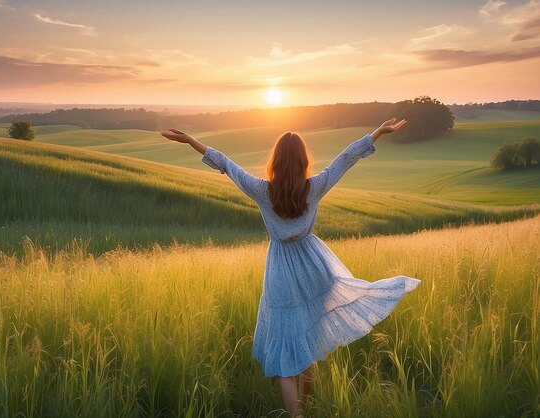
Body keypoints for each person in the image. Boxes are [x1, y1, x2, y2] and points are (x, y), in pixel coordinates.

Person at [160, 118, 421, 417]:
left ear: (276, 162)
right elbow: (346, 159)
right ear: (302, 161)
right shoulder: (315, 186)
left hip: (281, 273)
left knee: (285, 356)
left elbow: (227, 165)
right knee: (308, 345)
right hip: (314, 267)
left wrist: (192, 141)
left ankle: (295, 416)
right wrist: (377, 132)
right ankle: (304, 410)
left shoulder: (262, 190)